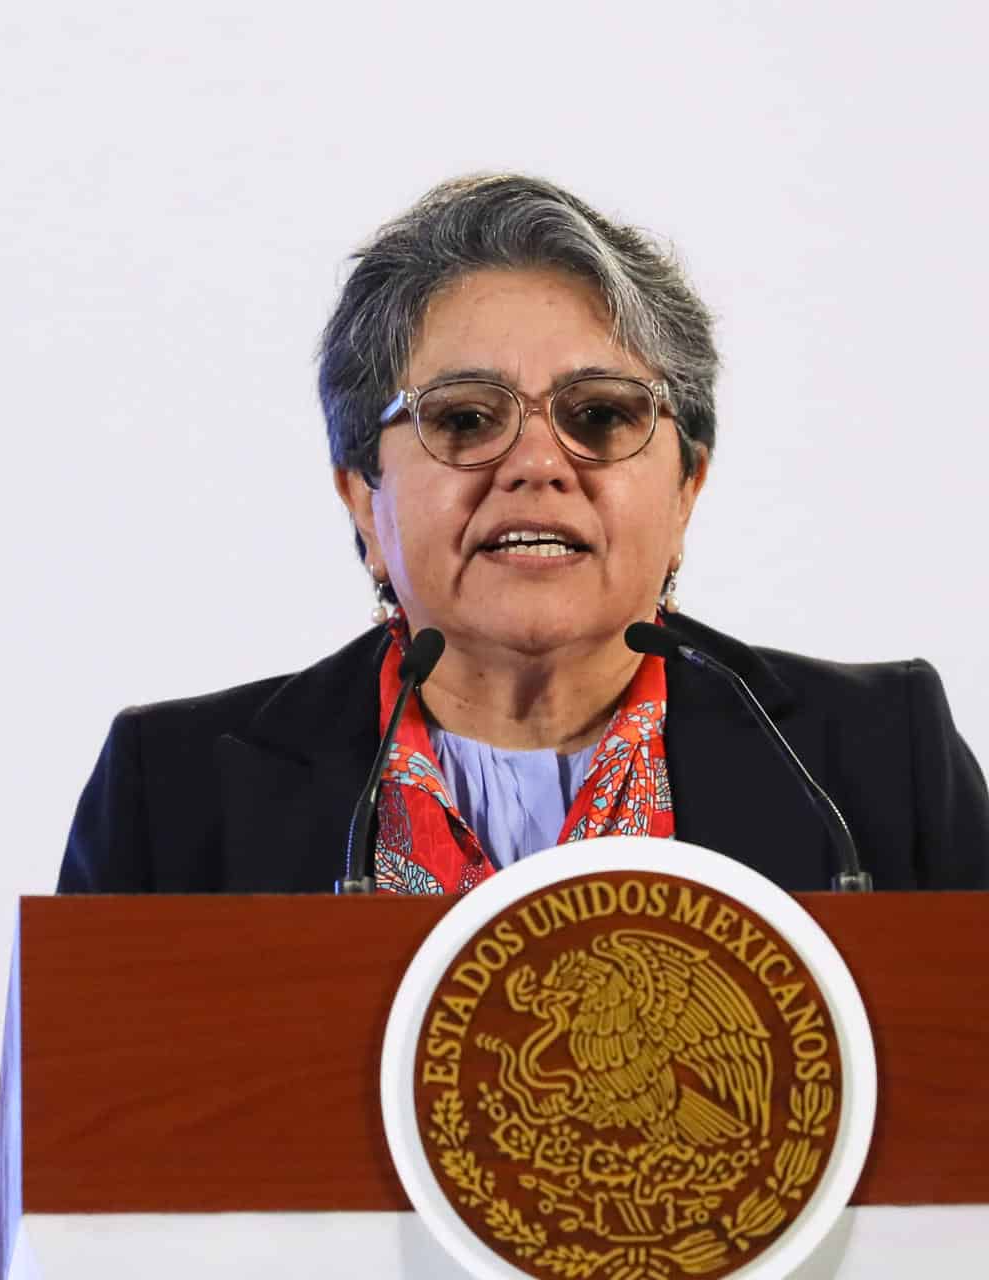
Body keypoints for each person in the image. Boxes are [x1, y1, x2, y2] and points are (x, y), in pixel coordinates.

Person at [56, 174, 988, 897]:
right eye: (463, 420)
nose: (538, 464)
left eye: (601, 415)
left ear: (687, 489)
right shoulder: (175, 796)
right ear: (360, 497)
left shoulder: (871, 763)